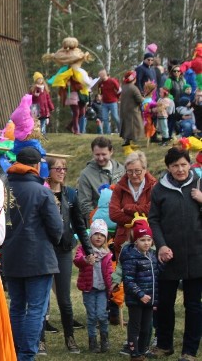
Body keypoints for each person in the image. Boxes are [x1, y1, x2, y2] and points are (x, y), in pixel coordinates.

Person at [2, 146, 63, 361]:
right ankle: (27, 354)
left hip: (11, 255)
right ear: (37, 166)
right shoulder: (42, 191)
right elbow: (56, 228)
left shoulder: (3, 187)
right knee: (36, 308)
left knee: (17, 305)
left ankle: (15, 351)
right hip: (38, 257)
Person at [148, 147, 202, 359]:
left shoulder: (199, 184)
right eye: (175, 166)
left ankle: (189, 350)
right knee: (165, 303)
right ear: (168, 168)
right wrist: (160, 245)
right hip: (168, 255)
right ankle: (164, 345)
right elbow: (154, 219)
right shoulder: (159, 189)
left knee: (194, 305)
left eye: (183, 164)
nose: (180, 169)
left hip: (197, 254)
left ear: (190, 164)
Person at [41, 155, 92, 354]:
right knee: (42, 298)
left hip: (63, 249)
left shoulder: (70, 194)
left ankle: (70, 337)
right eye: (57, 168)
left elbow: (79, 223)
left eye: (64, 169)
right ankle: (40, 339)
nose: (61, 172)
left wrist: (88, 250)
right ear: (48, 171)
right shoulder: (41, 192)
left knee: (64, 299)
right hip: (44, 249)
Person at [120, 219, 160, 361]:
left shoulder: (152, 256)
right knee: (135, 327)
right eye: (142, 240)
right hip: (136, 300)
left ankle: (142, 351)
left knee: (146, 328)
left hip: (150, 299)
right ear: (136, 241)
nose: (146, 243)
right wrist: (140, 294)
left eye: (149, 240)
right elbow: (128, 280)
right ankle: (134, 353)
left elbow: (156, 275)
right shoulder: (130, 257)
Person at [74, 218, 113, 353]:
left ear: (106, 238)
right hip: (89, 289)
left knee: (102, 315)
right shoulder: (83, 250)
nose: (99, 237)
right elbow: (77, 261)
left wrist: (112, 285)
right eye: (96, 234)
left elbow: (109, 272)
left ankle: (104, 339)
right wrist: (85, 260)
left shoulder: (107, 254)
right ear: (90, 236)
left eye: (102, 235)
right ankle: (92, 341)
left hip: (102, 290)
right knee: (92, 316)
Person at [108, 151, 157, 246]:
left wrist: (127, 208)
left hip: (148, 241)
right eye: (130, 171)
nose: (134, 175)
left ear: (145, 169)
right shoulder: (119, 187)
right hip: (123, 241)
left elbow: (152, 210)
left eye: (137, 171)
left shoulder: (154, 186)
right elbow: (114, 214)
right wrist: (142, 219)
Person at [76, 136, 125, 223]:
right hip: (98, 226)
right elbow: (84, 203)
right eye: (97, 155)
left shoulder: (121, 170)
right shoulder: (86, 174)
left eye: (104, 154)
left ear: (111, 152)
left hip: (121, 222)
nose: (101, 158)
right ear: (92, 153)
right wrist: (94, 220)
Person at [120, 71, 146, 148]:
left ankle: (127, 141)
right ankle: (133, 141)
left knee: (126, 126)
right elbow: (139, 100)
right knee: (134, 127)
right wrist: (143, 98)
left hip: (124, 109)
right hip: (133, 110)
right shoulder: (133, 88)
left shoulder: (124, 87)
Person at [98, 69, 122, 134]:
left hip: (113, 102)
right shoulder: (100, 83)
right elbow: (100, 91)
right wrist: (100, 96)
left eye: (100, 75)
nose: (99, 77)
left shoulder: (112, 81)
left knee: (115, 117)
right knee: (105, 118)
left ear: (103, 75)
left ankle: (121, 131)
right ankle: (108, 133)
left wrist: (117, 97)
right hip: (104, 103)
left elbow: (119, 89)